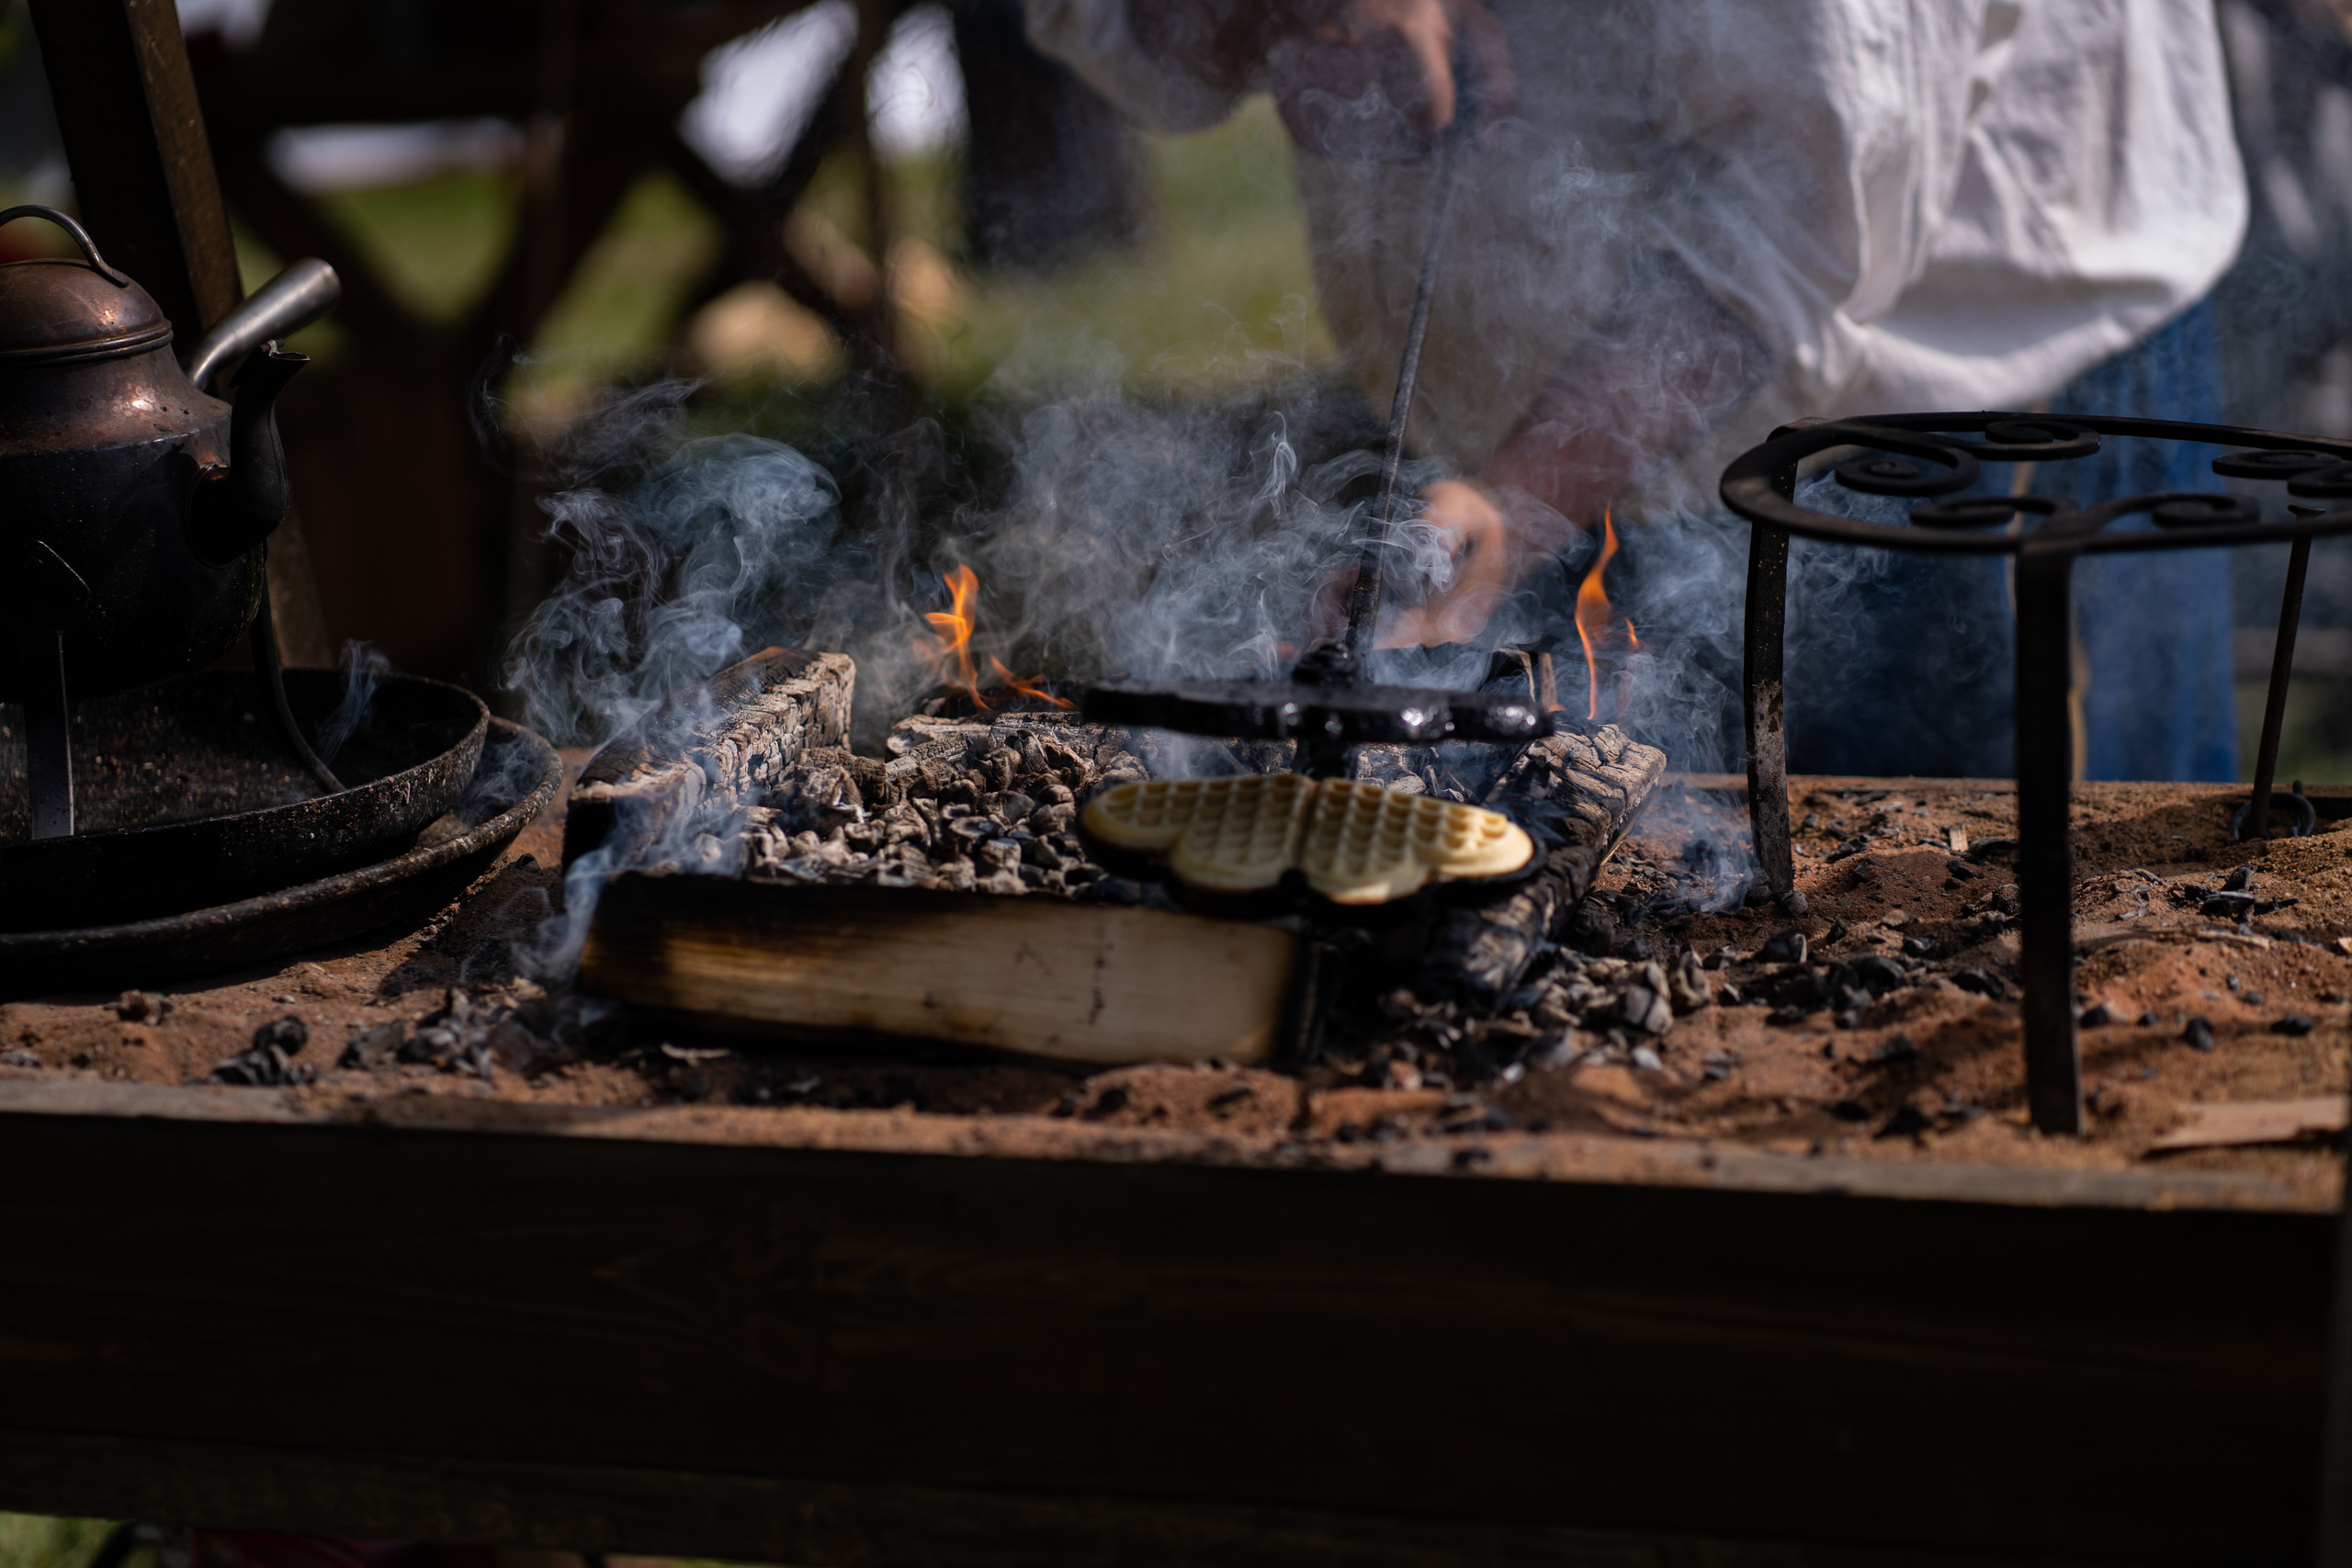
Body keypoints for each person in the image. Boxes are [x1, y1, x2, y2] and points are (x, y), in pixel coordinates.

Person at [1019, 0, 2251, 780]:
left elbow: (1790, 209)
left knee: (1970, 962)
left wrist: (1519, 503)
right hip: (1520, 463)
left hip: (1949, 432)